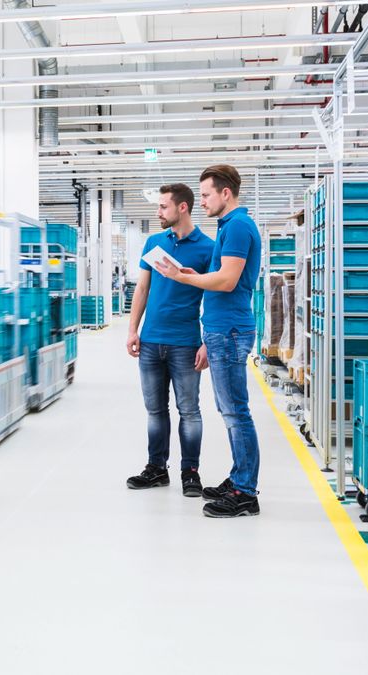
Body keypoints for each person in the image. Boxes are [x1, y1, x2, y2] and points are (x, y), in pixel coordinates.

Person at [152, 164, 262, 518]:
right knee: (228, 410)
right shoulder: (230, 226)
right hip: (221, 328)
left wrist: (184, 281)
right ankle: (238, 478)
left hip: (229, 330)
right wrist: (192, 274)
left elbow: (228, 282)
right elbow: (220, 276)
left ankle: (245, 491)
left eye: (205, 195)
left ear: (225, 193)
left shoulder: (239, 227)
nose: (201, 202)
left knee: (236, 413)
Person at [125, 183, 214, 496]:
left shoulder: (207, 248)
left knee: (189, 411)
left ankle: (190, 472)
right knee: (155, 410)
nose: (158, 212)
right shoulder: (154, 242)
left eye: (163, 206)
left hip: (185, 342)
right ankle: (156, 468)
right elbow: (142, 289)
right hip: (150, 341)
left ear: (182, 208)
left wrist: (206, 342)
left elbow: (215, 297)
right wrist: (133, 329)